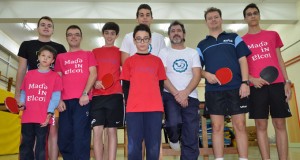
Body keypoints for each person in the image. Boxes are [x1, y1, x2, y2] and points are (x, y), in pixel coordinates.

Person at [197, 7, 251, 160]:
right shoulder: (201, 45)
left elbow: (243, 61)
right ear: (206, 22)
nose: (213, 20)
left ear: (221, 19)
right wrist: (206, 73)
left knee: (240, 125)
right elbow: (197, 69)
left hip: (236, 88)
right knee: (216, 127)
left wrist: (245, 82)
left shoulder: (234, 38)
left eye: (216, 17)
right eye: (210, 18)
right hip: (213, 91)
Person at [242, 3, 292, 160]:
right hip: (256, 87)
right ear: (245, 18)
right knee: (261, 126)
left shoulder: (272, 35)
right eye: (249, 14)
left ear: (259, 15)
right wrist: (251, 79)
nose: (252, 16)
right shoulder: (241, 41)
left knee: (280, 124)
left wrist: (287, 81)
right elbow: (241, 66)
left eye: (255, 13)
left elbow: (280, 58)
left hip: (277, 85)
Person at [15, 16, 66, 160]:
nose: (46, 27)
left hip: (50, 99)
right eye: (42, 25)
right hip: (30, 100)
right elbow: (21, 69)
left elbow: (61, 75)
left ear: (53, 29)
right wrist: (18, 94)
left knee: (51, 132)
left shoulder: (60, 48)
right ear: (38, 28)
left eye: (49, 25)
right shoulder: (26, 45)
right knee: (26, 135)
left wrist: (60, 99)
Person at [120, 24, 166, 160]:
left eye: (145, 39)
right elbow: (126, 86)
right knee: (134, 146)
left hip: (155, 109)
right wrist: (130, 104)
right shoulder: (128, 62)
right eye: (139, 39)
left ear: (150, 40)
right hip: (134, 110)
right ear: (134, 41)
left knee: (153, 145)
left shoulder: (157, 61)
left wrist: (157, 103)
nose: (142, 42)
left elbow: (160, 85)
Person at [159, 20, 201, 159]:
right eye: (173, 31)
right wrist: (177, 94)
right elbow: (162, 76)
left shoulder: (193, 53)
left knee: (190, 134)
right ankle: (173, 138)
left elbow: (197, 75)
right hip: (170, 95)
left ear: (183, 34)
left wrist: (186, 93)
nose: (176, 33)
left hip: (191, 96)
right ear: (169, 35)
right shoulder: (163, 52)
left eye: (178, 30)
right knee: (173, 123)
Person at [54, 25, 97, 159]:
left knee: (81, 135)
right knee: (64, 136)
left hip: (82, 101)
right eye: (70, 34)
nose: (73, 37)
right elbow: (58, 79)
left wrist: (85, 94)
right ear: (66, 37)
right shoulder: (60, 57)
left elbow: (93, 74)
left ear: (81, 37)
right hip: (64, 103)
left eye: (76, 34)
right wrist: (59, 99)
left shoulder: (88, 54)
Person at [18, 45, 62, 160]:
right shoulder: (29, 74)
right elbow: (23, 92)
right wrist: (22, 102)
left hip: (43, 118)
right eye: (43, 55)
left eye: (49, 57)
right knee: (26, 145)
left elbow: (56, 97)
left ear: (52, 61)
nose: (45, 58)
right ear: (38, 57)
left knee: (41, 146)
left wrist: (49, 113)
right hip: (27, 116)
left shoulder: (55, 76)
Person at [91, 22, 124, 160]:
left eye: (112, 33)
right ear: (103, 34)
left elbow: (128, 71)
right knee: (97, 131)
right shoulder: (94, 52)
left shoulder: (120, 52)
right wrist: (94, 83)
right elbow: (90, 73)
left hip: (115, 95)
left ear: (116, 35)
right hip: (97, 96)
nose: (109, 36)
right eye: (107, 33)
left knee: (112, 131)